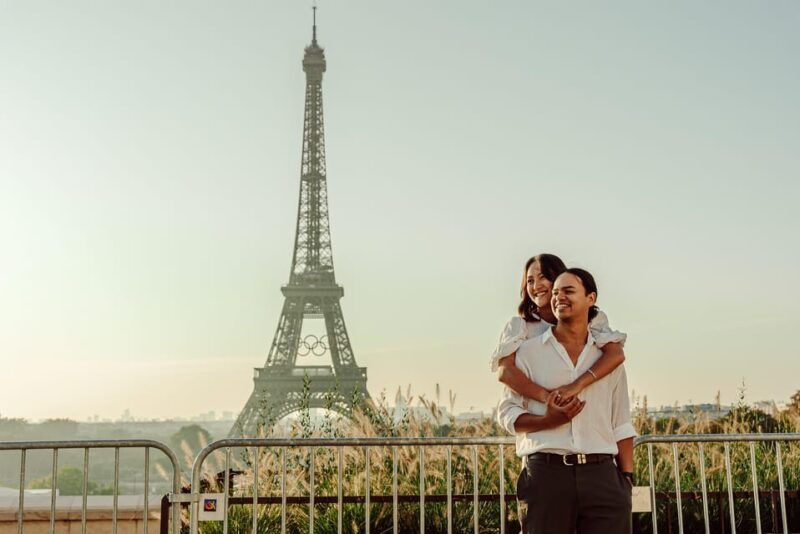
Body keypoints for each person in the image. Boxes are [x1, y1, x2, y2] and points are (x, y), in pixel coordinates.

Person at [497, 268, 636, 534]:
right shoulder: (527, 353)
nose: (559, 296)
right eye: (556, 292)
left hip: (603, 476)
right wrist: (547, 420)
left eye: (569, 291)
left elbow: (621, 422)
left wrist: (626, 480)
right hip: (546, 475)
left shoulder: (609, 358)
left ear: (591, 298)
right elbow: (507, 414)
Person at [491, 254, 626, 407]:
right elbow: (505, 372)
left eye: (543, 277)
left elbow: (616, 354)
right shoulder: (520, 326)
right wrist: (549, 398)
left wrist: (576, 386)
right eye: (530, 281)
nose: (536, 286)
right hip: (539, 412)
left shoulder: (593, 320)